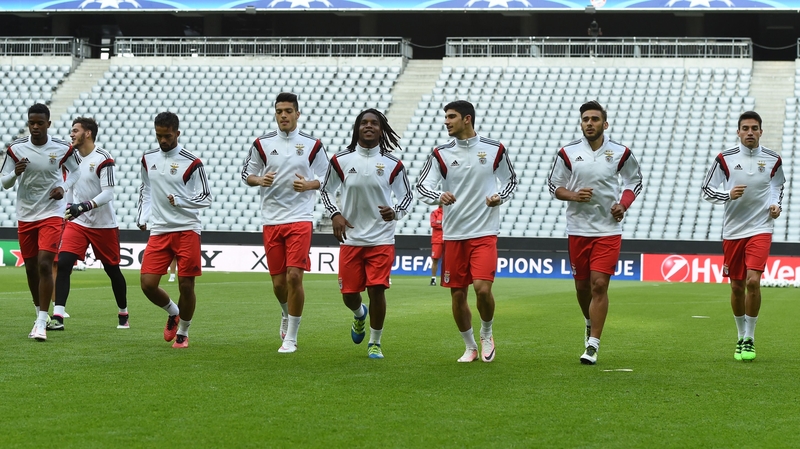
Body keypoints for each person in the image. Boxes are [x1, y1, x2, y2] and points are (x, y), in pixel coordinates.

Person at [416, 100, 517, 364]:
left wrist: (499, 197)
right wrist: (440, 195)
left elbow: (511, 181)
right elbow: (422, 187)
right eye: (445, 117)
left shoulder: (494, 149)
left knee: (482, 290)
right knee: (457, 294)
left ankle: (486, 333)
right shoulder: (441, 153)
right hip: (454, 235)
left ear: (467, 119)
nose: (446, 121)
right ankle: (470, 346)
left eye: (451, 117)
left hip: (484, 232)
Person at [547, 100, 643, 365]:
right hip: (577, 229)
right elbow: (554, 186)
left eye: (594, 119)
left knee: (599, 284)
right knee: (582, 287)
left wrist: (623, 204)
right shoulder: (568, 152)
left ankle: (593, 345)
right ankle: (589, 322)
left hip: (608, 230)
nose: (589, 123)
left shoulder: (620, 153)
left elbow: (635, 181)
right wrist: (574, 196)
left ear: (605, 123)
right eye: (585, 119)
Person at [319, 109, 412, 359]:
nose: (368, 126)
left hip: (381, 238)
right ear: (357, 128)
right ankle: (360, 313)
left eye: (374, 123)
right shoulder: (341, 160)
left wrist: (396, 212)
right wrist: (334, 214)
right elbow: (326, 191)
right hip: (351, 238)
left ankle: (375, 342)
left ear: (381, 130)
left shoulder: (393, 164)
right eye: (364, 123)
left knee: (377, 290)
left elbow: (406, 197)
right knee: (349, 295)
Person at [241, 92, 329, 354]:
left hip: (300, 218)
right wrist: (259, 180)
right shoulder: (262, 143)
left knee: (293, 276)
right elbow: (247, 173)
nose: (283, 115)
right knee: (279, 284)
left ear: (297, 114)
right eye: (279, 111)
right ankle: (285, 312)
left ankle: (291, 337)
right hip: (271, 220)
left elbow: (329, 177)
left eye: (288, 111)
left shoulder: (312, 145)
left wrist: (310, 184)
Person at [701, 111, 784, 362]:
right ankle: (740, 336)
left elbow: (777, 186)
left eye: (754, 128)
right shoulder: (724, 159)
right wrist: (727, 195)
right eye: (745, 128)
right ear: (738, 132)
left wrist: (775, 206)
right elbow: (707, 190)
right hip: (733, 231)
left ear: (761, 131)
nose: (750, 132)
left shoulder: (773, 159)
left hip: (761, 227)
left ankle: (749, 338)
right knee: (736, 286)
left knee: (753, 282)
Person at [0, 103, 80, 341]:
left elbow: (75, 172)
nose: (35, 127)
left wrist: (63, 187)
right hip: (26, 214)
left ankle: (42, 322)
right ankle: (39, 315)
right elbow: (4, 182)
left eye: (40, 123)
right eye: (31, 123)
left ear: (48, 124)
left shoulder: (62, 148)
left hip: (51, 213)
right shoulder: (16, 149)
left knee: (46, 264)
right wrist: (16, 172)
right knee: (32, 268)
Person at [136, 112, 212, 349]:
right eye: (159, 136)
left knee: (186, 285)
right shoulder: (148, 159)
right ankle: (173, 311)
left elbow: (206, 197)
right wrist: (142, 215)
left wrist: (181, 201)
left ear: (177, 133)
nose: (163, 141)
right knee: (147, 284)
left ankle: (183, 331)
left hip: (187, 229)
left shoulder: (192, 163)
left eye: (167, 136)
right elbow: (145, 189)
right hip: (159, 229)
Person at [51, 117, 129, 331]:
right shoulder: (71, 159)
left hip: (103, 224)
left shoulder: (104, 158)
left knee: (112, 270)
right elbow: (70, 189)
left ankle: (123, 312)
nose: (71, 134)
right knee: (64, 263)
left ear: (88, 133)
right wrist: (66, 210)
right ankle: (58, 316)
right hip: (79, 223)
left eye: (75, 130)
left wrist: (83, 206)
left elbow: (109, 193)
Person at [429, 205, 443, 286]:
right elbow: (433, 224)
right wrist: (444, 225)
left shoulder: (449, 212)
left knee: (448, 261)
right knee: (435, 260)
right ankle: (433, 279)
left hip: (447, 239)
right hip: (437, 240)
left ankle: (447, 279)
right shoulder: (434, 212)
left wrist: (440, 223)